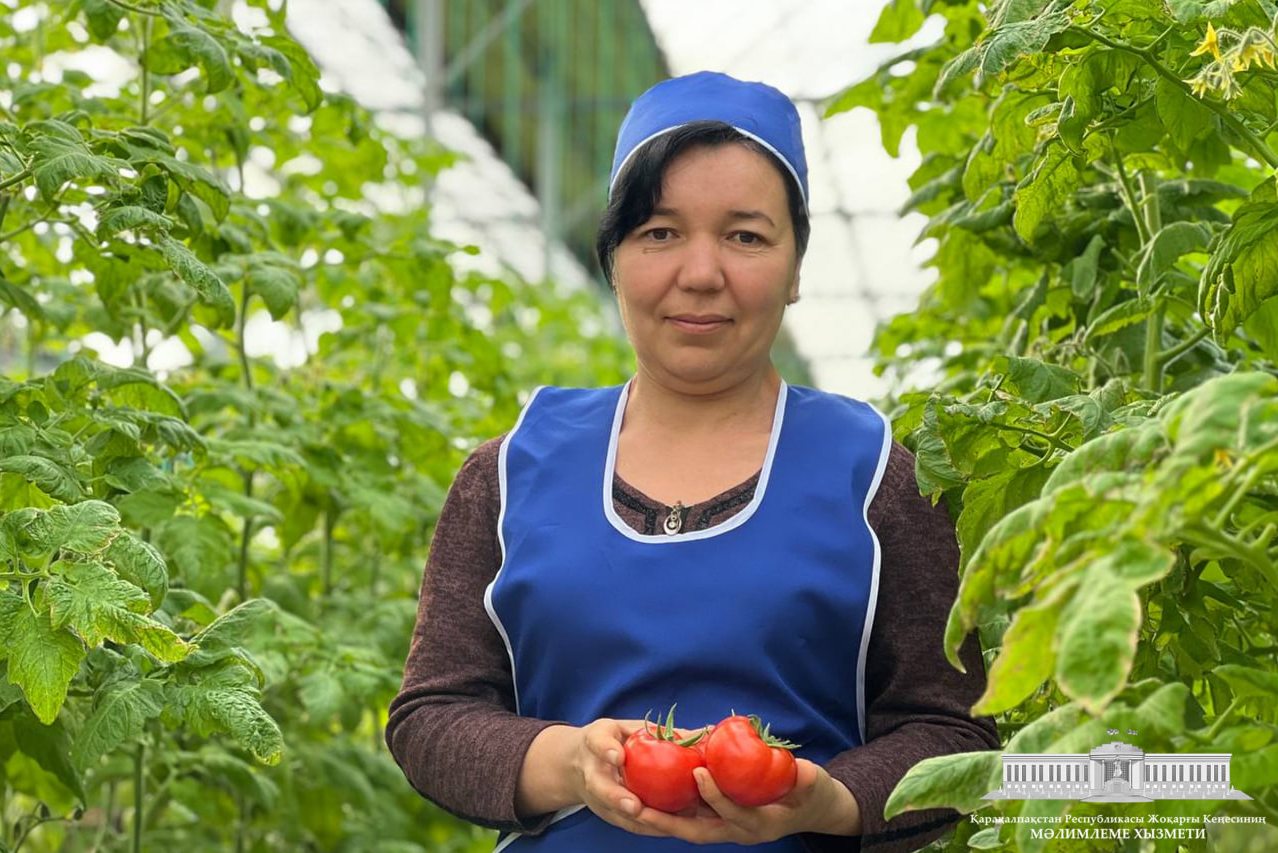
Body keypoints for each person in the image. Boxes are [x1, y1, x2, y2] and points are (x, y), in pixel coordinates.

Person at [386, 71, 1000, 853]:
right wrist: (571, 763)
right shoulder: (508, 474)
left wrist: (831, 799)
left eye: (745, 235)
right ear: (613, 257)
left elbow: (954, 730)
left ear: (797, 265)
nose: (701, 272)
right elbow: (433, 715)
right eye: (660, 232)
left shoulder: (879, 476)